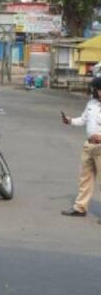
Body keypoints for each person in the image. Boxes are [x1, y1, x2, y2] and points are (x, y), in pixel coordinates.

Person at [61, 76, 101, 223]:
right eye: (97, 90)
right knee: (85, 179)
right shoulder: (91, 103)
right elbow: (83, 119)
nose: (96, 92)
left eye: (97, 89)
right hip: (88, 146)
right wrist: (70, 121)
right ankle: (80, 208)